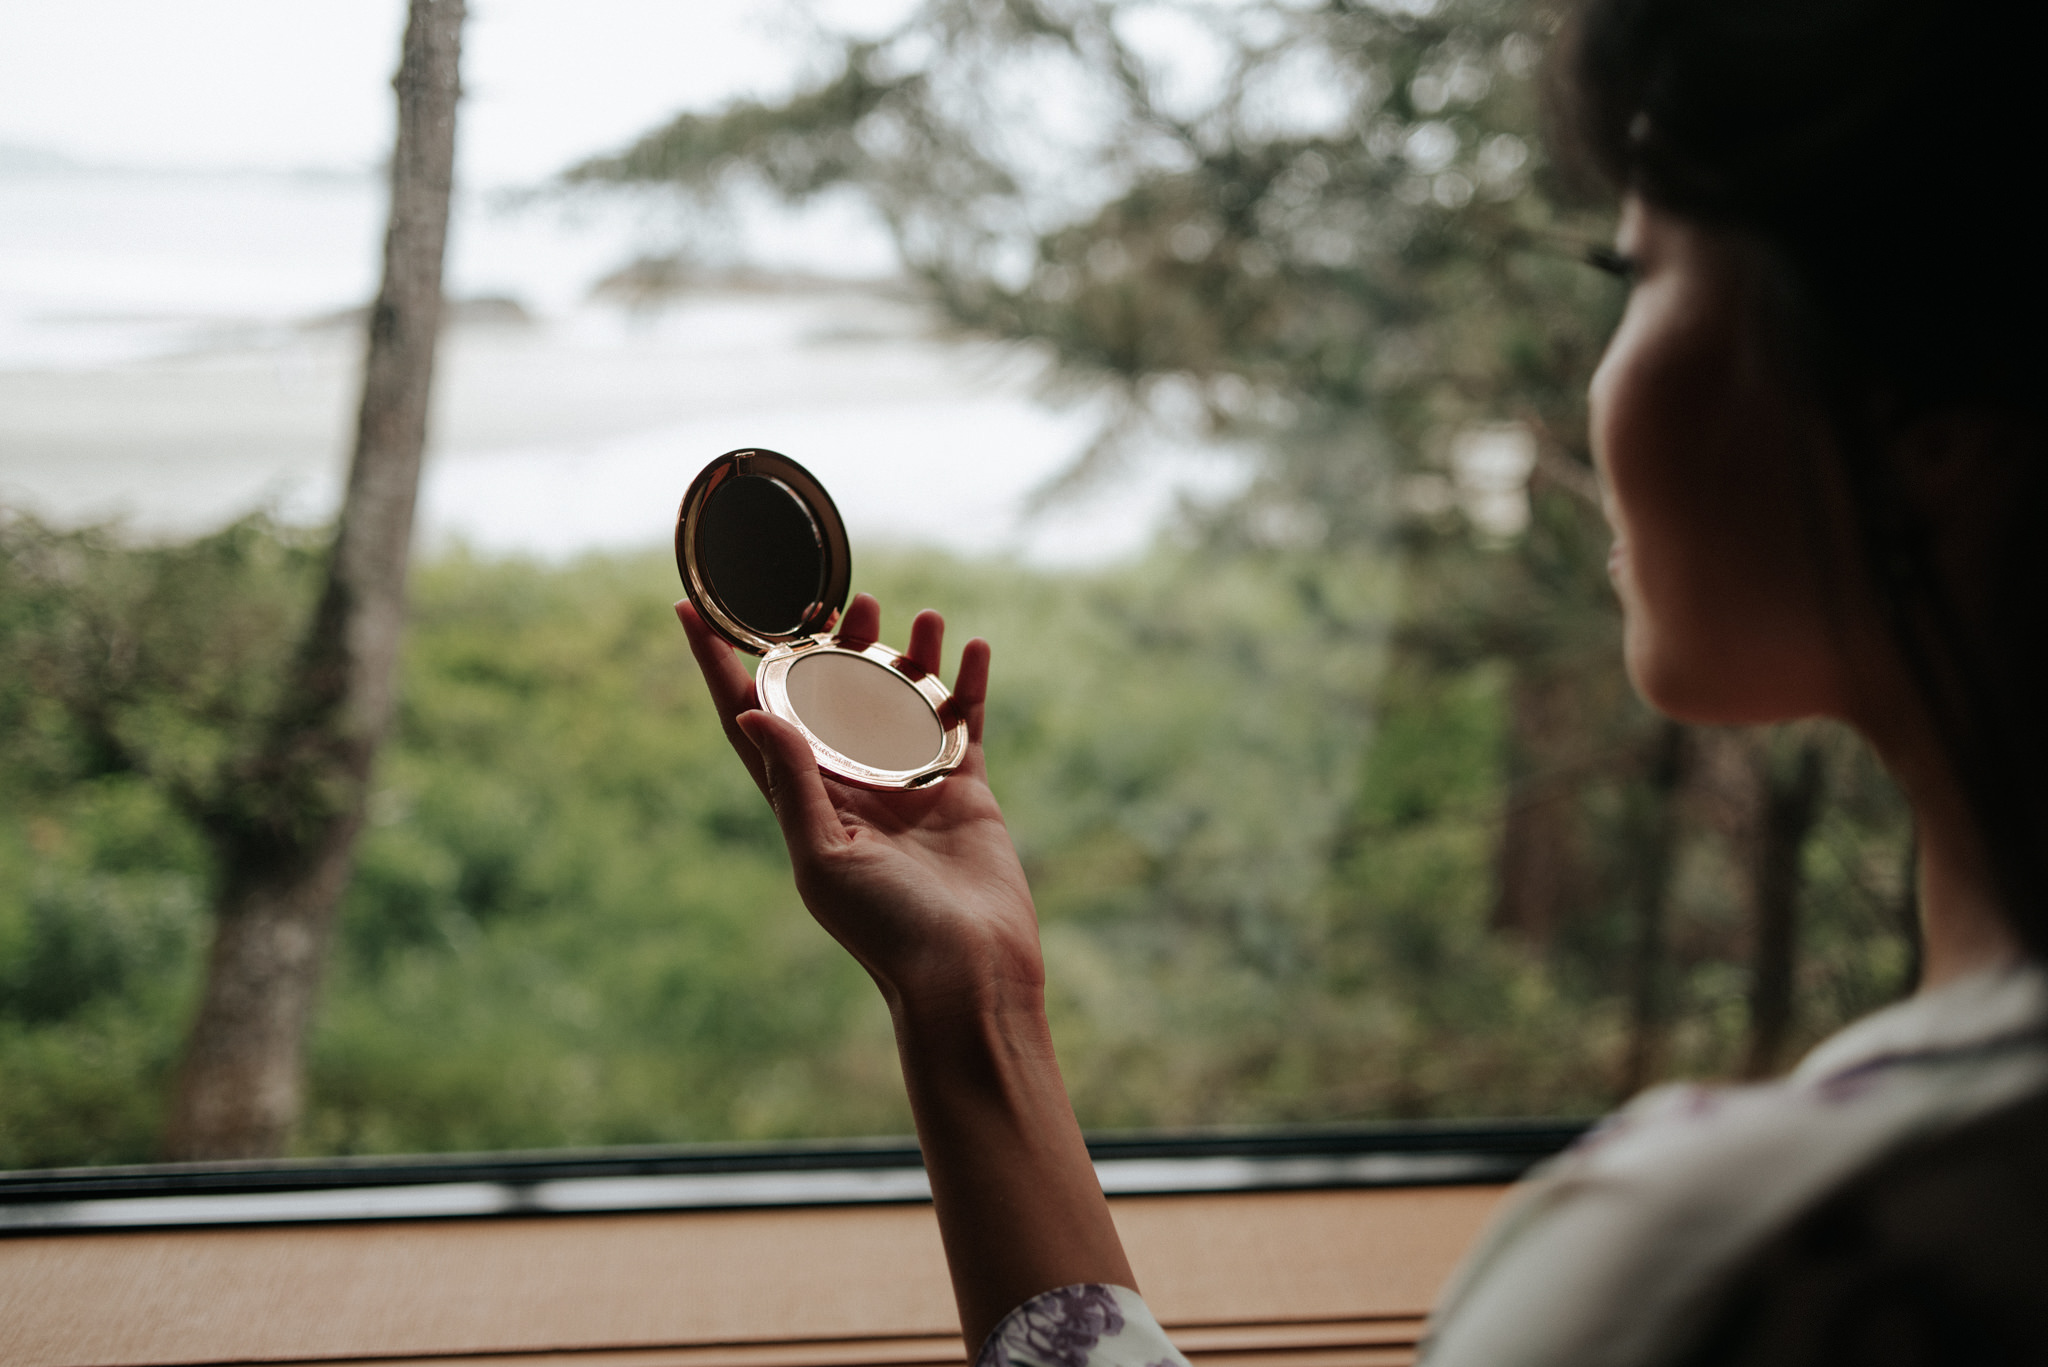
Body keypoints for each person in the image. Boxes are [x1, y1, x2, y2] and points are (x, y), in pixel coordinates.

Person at [677, 0, 2048, 1360]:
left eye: (1635, 277)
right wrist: (970, 1001)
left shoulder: (1724, 1268)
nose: (1593, 375)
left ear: (1926, 402)